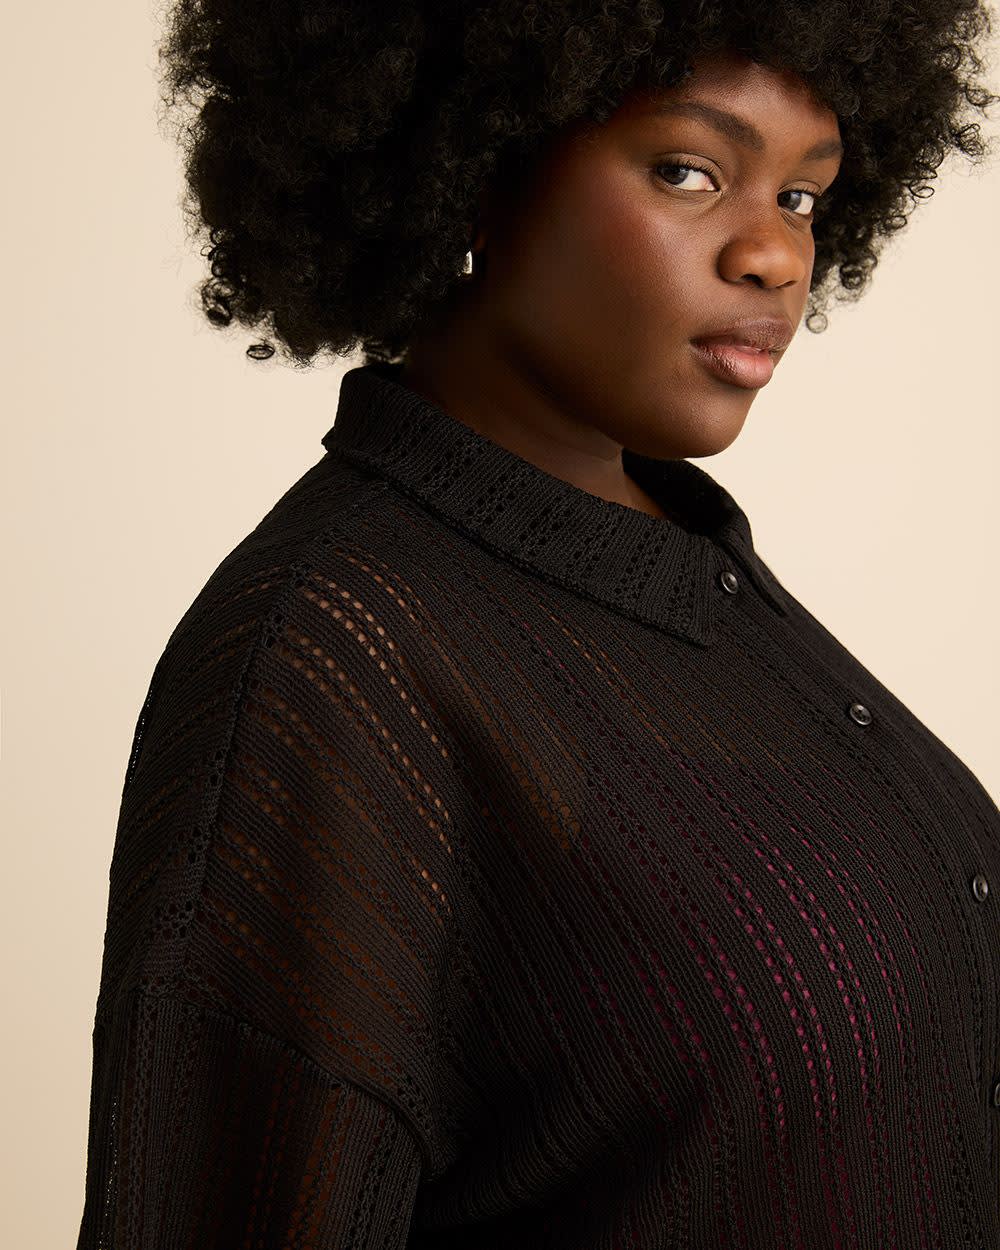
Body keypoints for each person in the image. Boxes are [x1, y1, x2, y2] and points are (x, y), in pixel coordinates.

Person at [77, 3, 1000, 1247]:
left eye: (800, 197)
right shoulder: (330, 651)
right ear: (474, 167)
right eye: (688, 171)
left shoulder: (680, 558)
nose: (775, 256)